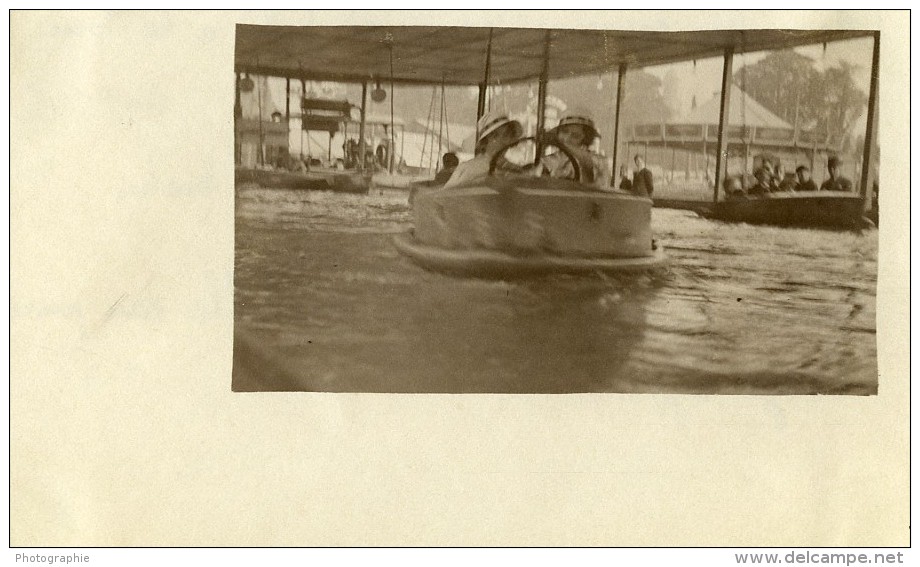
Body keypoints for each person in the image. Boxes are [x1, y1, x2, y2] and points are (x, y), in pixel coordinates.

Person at [444, 111, 523, 188]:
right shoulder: (467, 169)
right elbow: (445, 197)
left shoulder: (514, 169)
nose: (511, 141)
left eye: (511, 135)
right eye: (505, 135)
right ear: (491, 138)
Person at [540, 111, 610, 187]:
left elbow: (592, 187)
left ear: (585, 139)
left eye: (575, 136)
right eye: (564, 132)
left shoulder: (598, 161)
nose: (567, 138)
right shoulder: (552, 158)